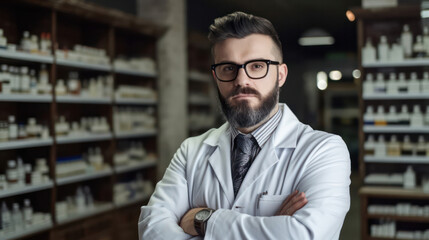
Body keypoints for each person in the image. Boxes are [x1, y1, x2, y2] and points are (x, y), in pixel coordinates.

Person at [139, 11, 350, 240]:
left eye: (257, 66)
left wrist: (204, 220)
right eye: (228, 68)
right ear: (216, 76)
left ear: (280, 75)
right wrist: (270, 226)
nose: (241, 80)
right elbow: (152, 230)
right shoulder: (191, 152)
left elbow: (307, 234)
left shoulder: (324, 151)